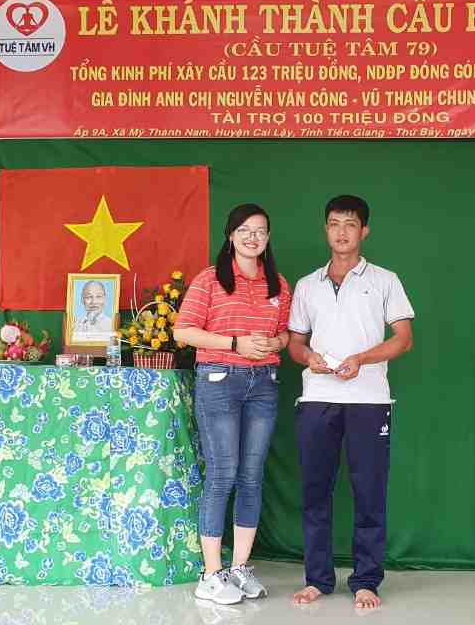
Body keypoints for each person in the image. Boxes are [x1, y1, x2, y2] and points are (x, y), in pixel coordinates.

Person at [287, 195, 414, 610]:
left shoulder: (385, 280)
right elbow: (295, 342)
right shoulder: (307, 285)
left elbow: (403, 339)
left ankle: (366, 581)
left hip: (370, 401)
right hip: (316, 399)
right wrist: (308, 357)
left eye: (350, 224)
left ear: (364, 231)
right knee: (315, 492)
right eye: (334, 223)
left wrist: (362, 359)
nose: (341, 232)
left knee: (369, 492)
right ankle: (317, 579)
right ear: (325, 229)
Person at [171, 203, 292, 605]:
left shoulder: (278, 284)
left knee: (251, 476)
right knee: (222, 473)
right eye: (244, 230)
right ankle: (210, 574)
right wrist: (235, 343)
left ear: (268, 238)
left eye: (260, 231)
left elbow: (286, 336)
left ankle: (238, 568)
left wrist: (275, 343)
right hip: (219, 382)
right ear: (230, 236)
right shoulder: (210, 280)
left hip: (264, 384)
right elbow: (184, 331)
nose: (252, 237)